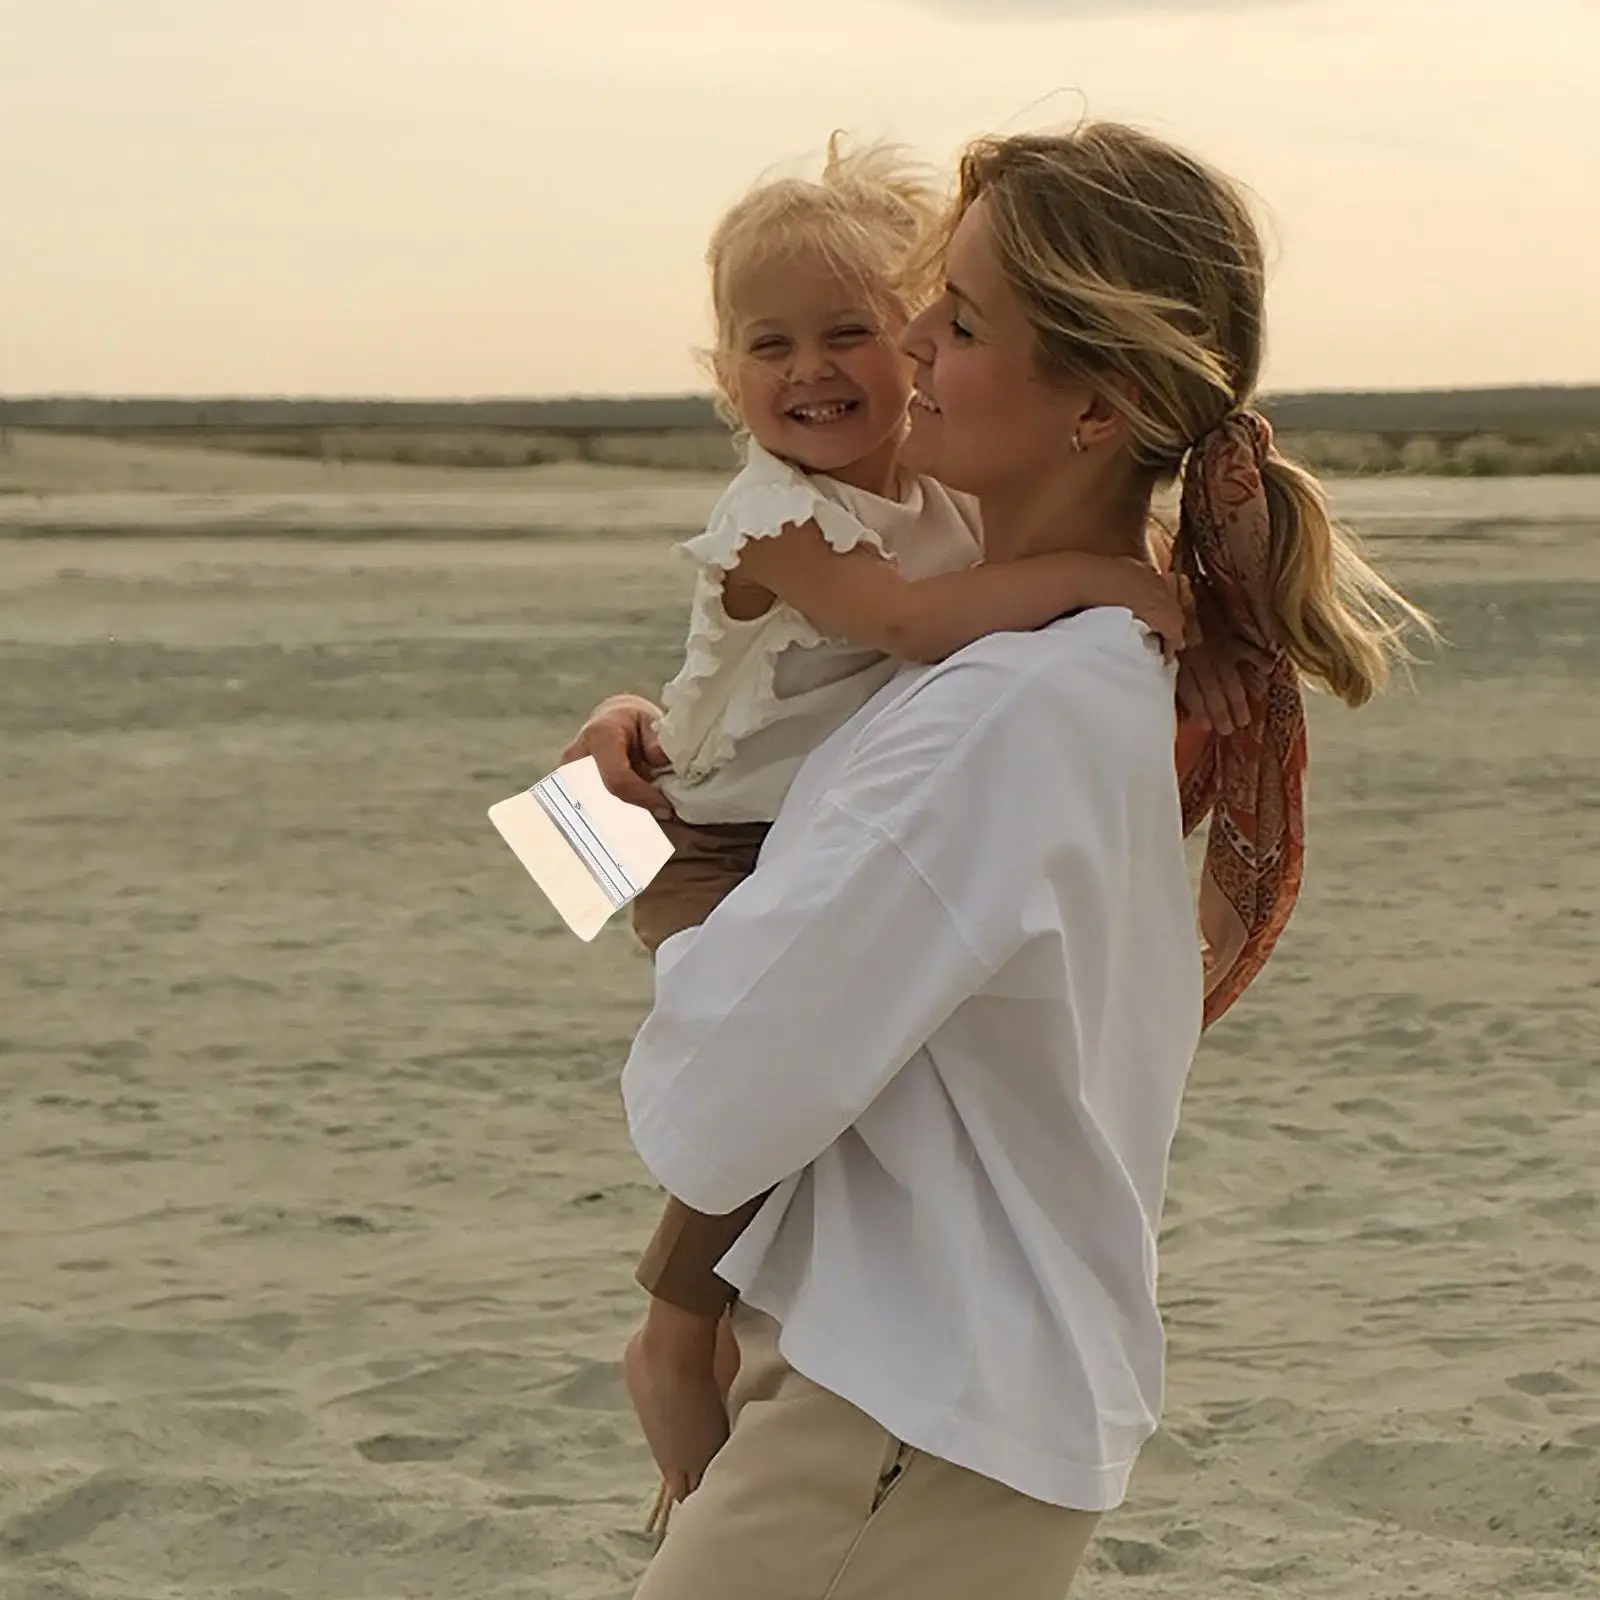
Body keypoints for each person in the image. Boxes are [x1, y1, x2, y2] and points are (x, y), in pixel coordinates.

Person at [568, 122, 1429, 1599]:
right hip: (917, 1387)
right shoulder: (1043, 662)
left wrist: (657, 885)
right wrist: (616, 775)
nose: (905, 342)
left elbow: (726, 1088)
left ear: (1099, 407)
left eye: (953, 321)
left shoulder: (1010, 702)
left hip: (903, 1414)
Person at [613, 135, 1191, 1513]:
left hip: (767, 811)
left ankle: (697, 1341)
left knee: (805, 1071)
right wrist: (1114, 574)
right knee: (770, 1077)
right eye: (769, 346)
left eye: (860, 330)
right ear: (722, 378)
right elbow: (909, 629)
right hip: (712, 830)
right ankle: (670, 1331)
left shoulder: (935, 509)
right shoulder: (780, 518)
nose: (815, 370)